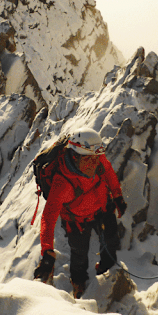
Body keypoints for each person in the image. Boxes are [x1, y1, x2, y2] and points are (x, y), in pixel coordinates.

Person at [33, 128, 128, 298]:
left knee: (110, 240)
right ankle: (78, 282)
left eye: (96, 158)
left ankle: (106, 267)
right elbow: (48, 217)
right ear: (75, 156)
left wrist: (118, 196)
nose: (94, 163)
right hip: (77, 221)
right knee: (79, 254)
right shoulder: (62, 184)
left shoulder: (95, 156)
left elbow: (108, 172)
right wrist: (47, 251)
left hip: (103, 207)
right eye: (88, 159)